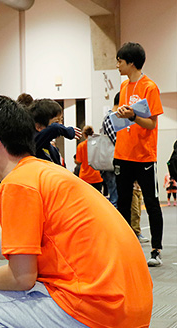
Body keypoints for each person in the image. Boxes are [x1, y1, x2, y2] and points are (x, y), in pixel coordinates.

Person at [0, 94, 152, 328]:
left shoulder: (17, 183)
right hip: (130, 307)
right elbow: (7, 245)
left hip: (99, 310)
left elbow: (21, 277)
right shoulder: (40, 171)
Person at [114, 42, 164, 266]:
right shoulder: (124, 86)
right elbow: (125, 115)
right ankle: (127, 249)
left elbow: (151, 124)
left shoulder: (149, 87)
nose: (117, 65)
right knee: (122, 204)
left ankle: (156, 250)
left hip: (144, 156)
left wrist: (133, 116)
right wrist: (120, 114)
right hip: (122, 153)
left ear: (131, 62)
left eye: (120, 61)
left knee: (151, 203)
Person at [28, 99, 81, 167]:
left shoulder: (53, 149)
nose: (61, 124)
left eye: (61, 120)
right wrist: (67, 131)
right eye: (56, 122)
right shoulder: (32, 144)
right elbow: (54, 128)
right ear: (38, 127)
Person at [99, 92, 120, 208]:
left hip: (112, 164)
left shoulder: (112, 117)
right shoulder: (111, 118)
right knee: (115, 198)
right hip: (111, 164)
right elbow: (117, 141)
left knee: (116, 197)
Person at [75, 126, 103, 191]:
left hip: (85, 177)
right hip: (96, 176)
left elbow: (78, 161)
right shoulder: (97, 145)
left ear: (84, 134)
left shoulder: (81, 146)